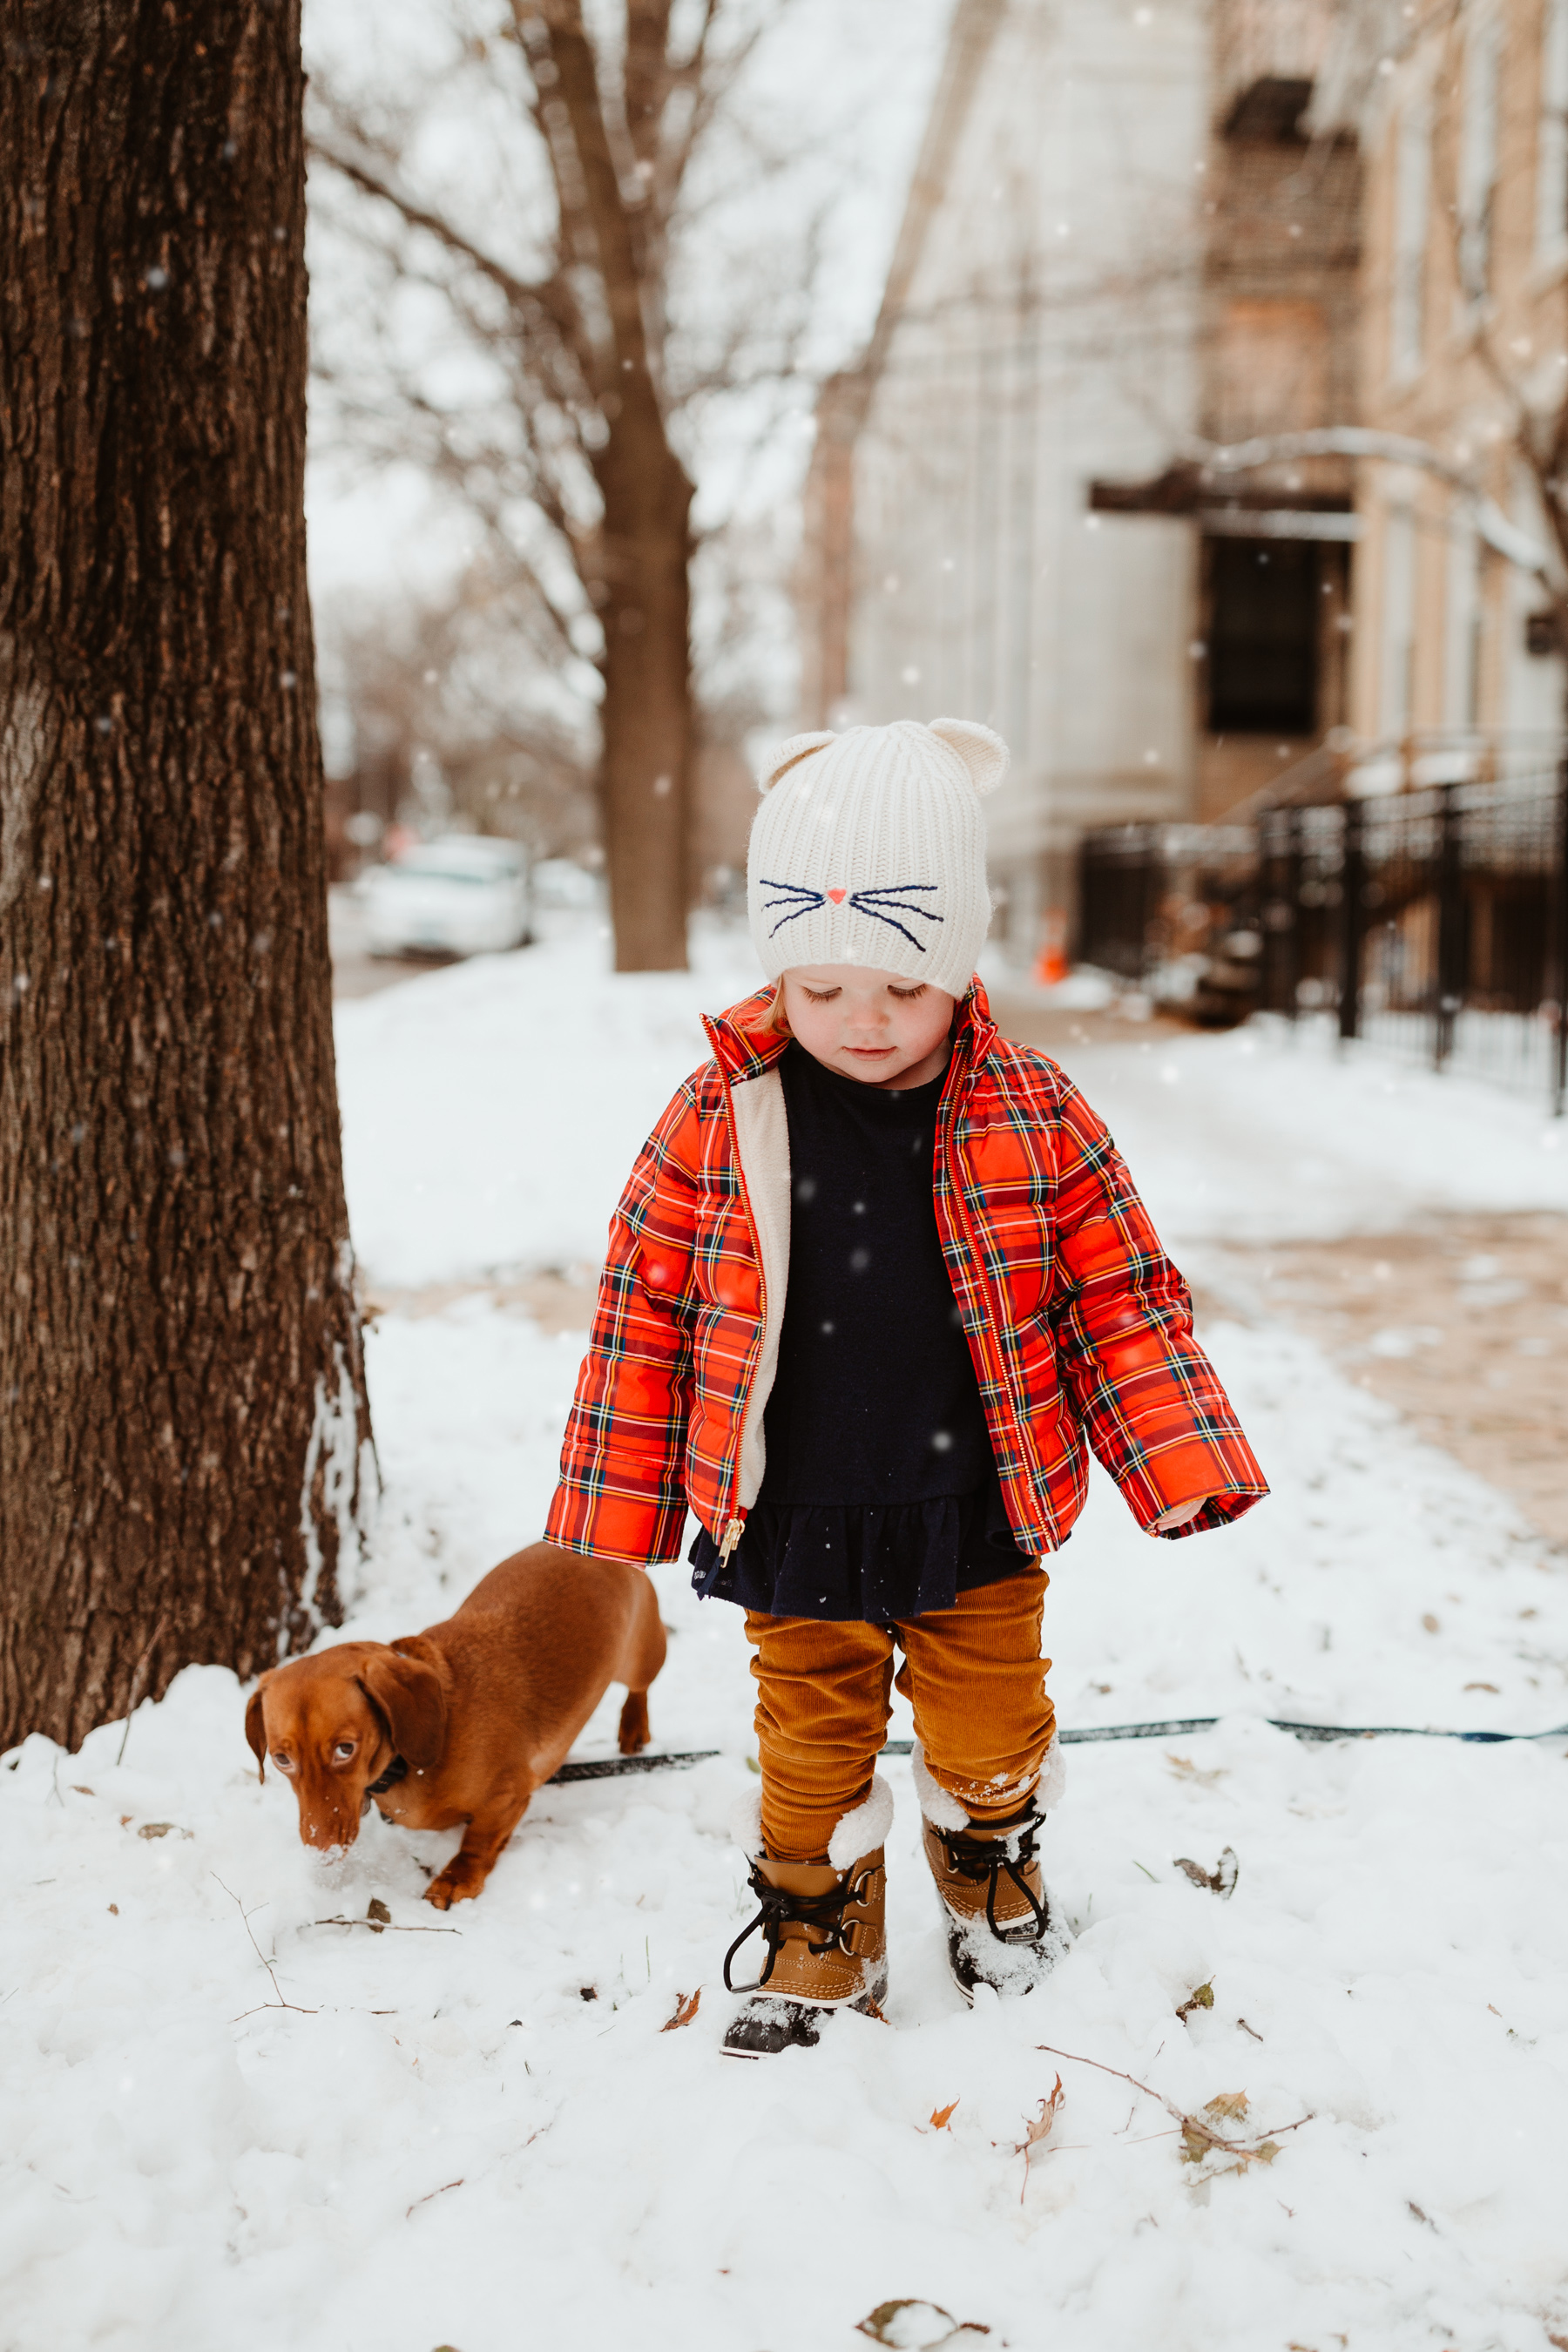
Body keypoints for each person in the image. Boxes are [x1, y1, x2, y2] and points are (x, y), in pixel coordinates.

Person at [547, 718, 1267, 2058]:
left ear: (960, 965)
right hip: (794, 1510)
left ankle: (989, 1864)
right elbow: (647, 1302)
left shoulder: (1032, 1110)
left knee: (991, 1724)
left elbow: (1118, 1289)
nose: (861, 1023)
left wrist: (1176, 1453)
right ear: (777, 975)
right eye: (820, 993)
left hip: (976, 1506)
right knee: (805, 1741)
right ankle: (820, 1923)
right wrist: (620, 1502)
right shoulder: (721, 1116)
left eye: (899, 988)